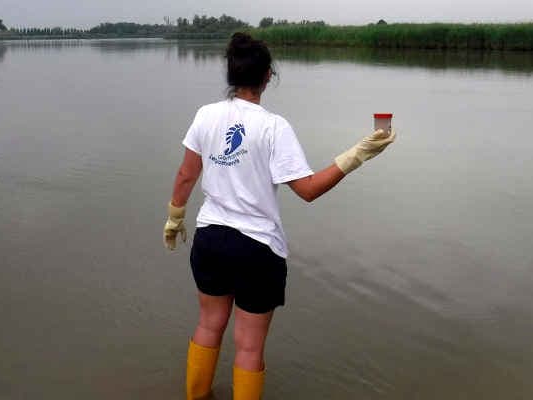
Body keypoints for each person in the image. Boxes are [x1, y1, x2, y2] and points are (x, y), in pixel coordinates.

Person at [164, 32, 396, 400]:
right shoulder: (273, 127)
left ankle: (197, 397)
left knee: (209, 324)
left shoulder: (205, 115)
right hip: (256, 248)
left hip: (210, 239)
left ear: (231, 74)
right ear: (267, 75)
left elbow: (186, 174)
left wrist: (175, 218)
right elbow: (307, 190)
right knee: (249, 347)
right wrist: (357, 155)